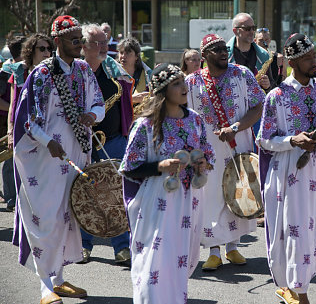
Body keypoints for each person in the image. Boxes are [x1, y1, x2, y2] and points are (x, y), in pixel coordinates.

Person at [12, 15, 105, 304]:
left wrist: (93, 115)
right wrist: (47, 141)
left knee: (69, 216)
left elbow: (99, 102)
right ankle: (44, 285)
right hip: (46, 157)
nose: (79, 44)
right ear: (57, 42)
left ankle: (60, 279)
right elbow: (26, 118)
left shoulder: (83, 70)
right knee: (48, 217)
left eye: (81, 39)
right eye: (74, 39)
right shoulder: (40, 73)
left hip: (76, 153)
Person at [257, 33, 316, 304]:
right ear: (293, 62)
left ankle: (298, 286)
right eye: (307, 58)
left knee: (311, 230)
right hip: (287, 174)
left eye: (313, 56)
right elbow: (263, 139)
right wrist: (291, 140)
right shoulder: (277, 96)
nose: (313, 61)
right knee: (291, 230)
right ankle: (298, 291)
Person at [120, 63, 214, 303]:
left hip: (188, 200)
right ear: (162, 91)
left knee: (180, 259)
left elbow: (208, 154)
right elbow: (130, 166)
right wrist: (160, 167)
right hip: (157, 202)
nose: (184, 87)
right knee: (154, 261)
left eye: (183, 81)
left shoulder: (195, 120)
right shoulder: (146, 125)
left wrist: (202, 162)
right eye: (176, 84)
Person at [185, 34, 265, 271]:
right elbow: (185, 116)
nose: (223, 52)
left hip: (237, 144)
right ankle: (213, 251)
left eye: (224, 48)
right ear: (204, 56)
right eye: (216, 49)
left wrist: (236, 127)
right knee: (210, 197)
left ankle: (232, 247)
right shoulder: (191, 82)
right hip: (207, 150)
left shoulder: (242, 74)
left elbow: (258, 106)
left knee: (237, 194)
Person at [80, 23, 133, 265]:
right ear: (83, 46)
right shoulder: (76, 74)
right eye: (98, 43)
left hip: (113, 142)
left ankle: (122, 247)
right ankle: (83, 245)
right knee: (84, 195)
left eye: (105, 42)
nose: (104, 47)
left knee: (117, 195)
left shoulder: (113, 75)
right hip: (82, 145)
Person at [0, 35, 27, 211]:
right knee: (9, 161)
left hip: (11, 120)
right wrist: (15, 107)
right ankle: (11, 198)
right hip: (5, 122)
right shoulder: (6, 72)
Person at [227, 12, 272, 91]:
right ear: (235, 31)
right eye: (247, 29)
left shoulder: (264, 55)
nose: (252, 32)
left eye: (253, 28)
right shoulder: (224, 55)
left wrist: (267, 86)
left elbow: (272, 86)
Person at [117, 37, 152, 104]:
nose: (123, 56)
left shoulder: (147, 75)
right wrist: (132, 99)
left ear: (137, 56)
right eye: (121, 52)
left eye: (128, 53)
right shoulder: (112, 75)